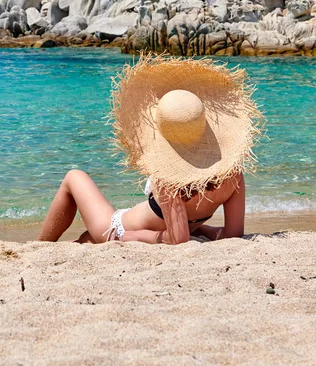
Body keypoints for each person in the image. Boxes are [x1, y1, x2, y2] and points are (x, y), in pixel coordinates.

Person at [38, 56, 263, 245]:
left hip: (115, 228)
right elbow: (233, 234)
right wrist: (202, 230)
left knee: (74, 177)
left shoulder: (169, 177)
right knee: (85, 240)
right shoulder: (233, 175)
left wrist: (131, 236)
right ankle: (65, 243)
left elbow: (178, 239)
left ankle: (40, 245)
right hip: (144, 226)